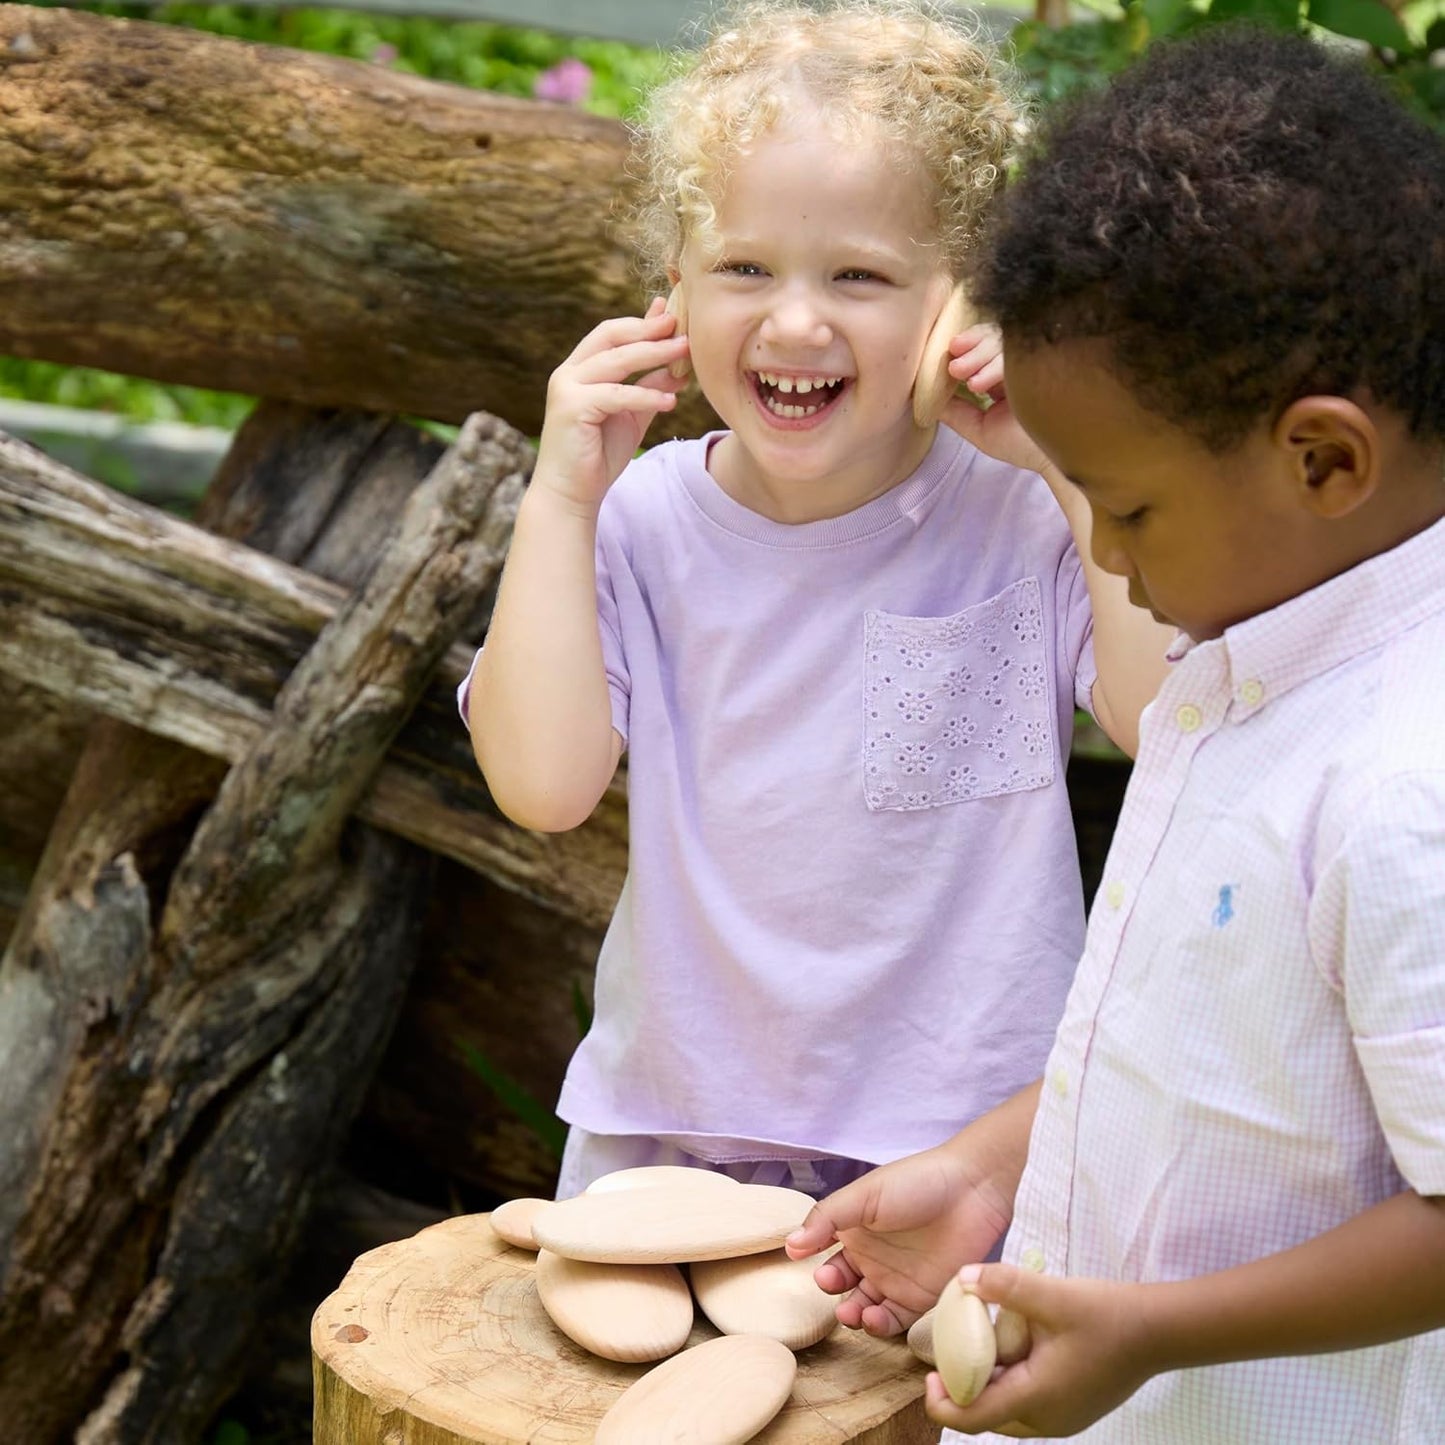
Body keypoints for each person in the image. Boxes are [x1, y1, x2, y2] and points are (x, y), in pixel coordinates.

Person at [784, 23, 1445, 1442]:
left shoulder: (1407, 784)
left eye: (1125, 510)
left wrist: (1148, 1331)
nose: (1117, 567)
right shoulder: (1253, 661)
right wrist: (988, 1168)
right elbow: (1207, 1050)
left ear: (1323, 457)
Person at [463, 0, 1171, 1201]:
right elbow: (542, 786)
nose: (795, 318)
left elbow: (1173, 731)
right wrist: (558, 501)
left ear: (967, 297)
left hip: (967, 1158)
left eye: (860, 273)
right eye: (743, 267)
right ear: (671, 290)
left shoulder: (1025, 512)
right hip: (673, 1137)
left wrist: (1063, 460)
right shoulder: (635, 523)